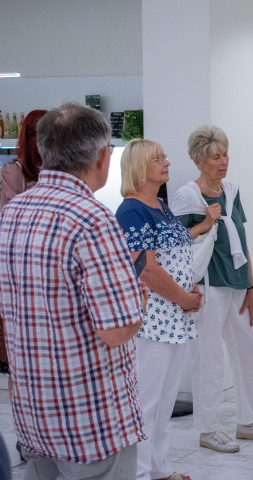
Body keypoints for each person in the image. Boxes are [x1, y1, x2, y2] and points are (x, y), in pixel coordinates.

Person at [0, 103, 146, 478]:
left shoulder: (13, 212)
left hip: (33, 412)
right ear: (102, 156)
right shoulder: (92, 219)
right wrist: (139, 303)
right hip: (89, 420)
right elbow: (115, 330)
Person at [171, 125, 253, 453]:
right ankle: (208, 429)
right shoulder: (187, 195)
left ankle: (248, 421)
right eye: (215, 157)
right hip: (206, 288)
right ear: (198, 161)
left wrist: (250, 285)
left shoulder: (231, 191)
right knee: (209, 360)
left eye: (225, 154)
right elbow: (175, 245)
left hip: (235, 284)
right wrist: (204, 223)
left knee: (247, 352)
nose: (223, 161)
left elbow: (242, 239)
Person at [116, 139, 202, 480]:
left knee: (164, 402)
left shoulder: (161, 207)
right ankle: (138, 473)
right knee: (146, 403)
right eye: (158, 158)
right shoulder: (132, 210)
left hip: (174, 317)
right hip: (152, 319)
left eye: (164, 157)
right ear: (139, 166)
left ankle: (159, 469)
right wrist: (183, 297)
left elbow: (176, 258)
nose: (166, 163)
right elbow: (146, 270)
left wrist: (189, 291)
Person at [0, 109, 47, 462]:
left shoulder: (56, 171)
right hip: (19, 282)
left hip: (48, 281)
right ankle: (26, 436)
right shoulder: (13, 172)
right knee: (22, 363)